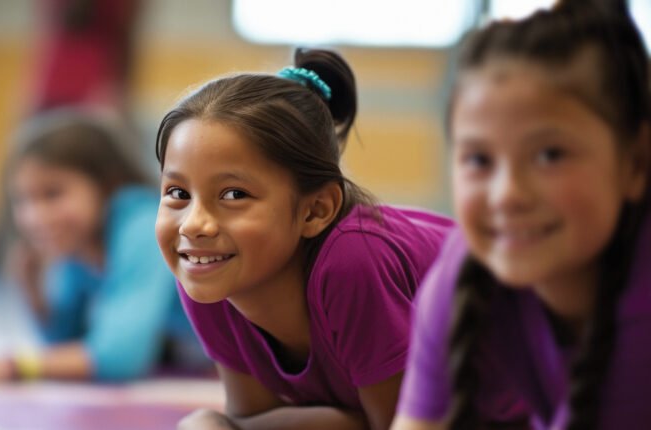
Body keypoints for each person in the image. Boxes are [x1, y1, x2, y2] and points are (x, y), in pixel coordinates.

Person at [154, 48, 454, 429]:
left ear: (316, 211)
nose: (193, 225)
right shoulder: (209, 272)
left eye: (233, 195)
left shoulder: (352, 262)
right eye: (178, 193)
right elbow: (259, 420)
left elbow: (404, 425)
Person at [393, 1, 651, 429]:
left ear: (637, 164)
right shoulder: (463, 273)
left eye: (550, 155)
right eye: (479, 159)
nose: (507, 194)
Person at [0, 110, 200, 382]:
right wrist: (33, 293)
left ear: (107, 184)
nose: (33, 217)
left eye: (53, 193)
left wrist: (17, 367)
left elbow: (119, 357)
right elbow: (67, 344)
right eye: (21, 199)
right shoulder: (80, 244)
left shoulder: (145, 225)